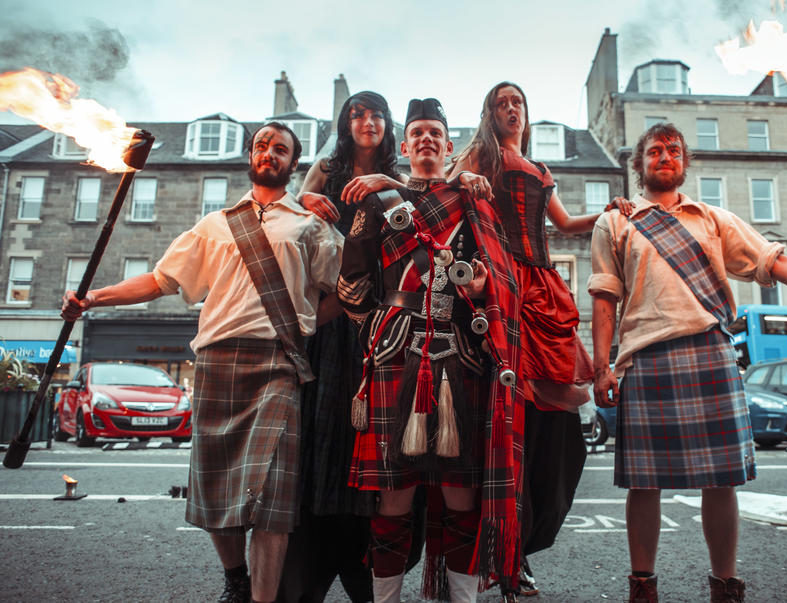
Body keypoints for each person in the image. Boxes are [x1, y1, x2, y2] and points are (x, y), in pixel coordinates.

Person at [588, 122, 787, 603]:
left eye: (674, 149)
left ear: (685, 162)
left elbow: (777, 263)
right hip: (645, 357)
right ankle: (642, 587)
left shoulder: (714, 219)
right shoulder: (615, 222)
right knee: (643, 484)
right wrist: (601, 365)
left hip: (710, 352)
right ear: (639, 164)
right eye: (654, 150)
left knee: (722, 479)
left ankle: (725, 586)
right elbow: (605, 298)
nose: (664, 156)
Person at [62, 122, 344, 603]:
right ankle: (237, 579)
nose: (269, 153)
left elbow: (341, 293)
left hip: (278, 364)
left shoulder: (311, 225)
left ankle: (263, 600)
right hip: (217, 360)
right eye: (262, 146)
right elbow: (160, 280)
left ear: (293, 164)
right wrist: (92, 298)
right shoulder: (214, 225)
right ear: (250, 156)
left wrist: (304, 325)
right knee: (215, 490)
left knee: (272, 498)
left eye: (280, 149)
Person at [338, 98, 522, 602]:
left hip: (459, 354)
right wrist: (379, 328)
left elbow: (506, 285)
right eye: (417, 131)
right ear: (405, 145)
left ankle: (461, 599)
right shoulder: (377, 204)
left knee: (460, 493)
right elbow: (351, 284)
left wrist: (485, 292)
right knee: (393, 494)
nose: (425, 140)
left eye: (435, 133)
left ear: (447, 145)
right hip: (394, 353)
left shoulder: (474, 203)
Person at [449, 81, 597, 600]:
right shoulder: (479, 156)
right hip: (502, 283)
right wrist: (467, 178)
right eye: (501, 103)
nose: (512, 109)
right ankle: (501, 553)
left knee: (556, 430)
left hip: (544, 286)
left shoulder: (538, 168)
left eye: (519, 103)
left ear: (527, 114)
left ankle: (522, 548)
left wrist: (615, 210)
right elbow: (446, 190)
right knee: (514, 422)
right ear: (490, 114)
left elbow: (566, 224)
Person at [277, 91, 406, 603]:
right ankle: (314, 547)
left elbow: (430, 197)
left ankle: (362, 552)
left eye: (376, 114)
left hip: (379, 319)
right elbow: (287, 209)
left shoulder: (397, 172)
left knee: (370, 427)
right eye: (358, 114)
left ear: (387, 124)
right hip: (329, 318)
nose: (368, 121)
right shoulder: (326, 169)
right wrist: (306, 199)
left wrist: (389, 184)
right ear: (345, 122)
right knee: (323, 419)